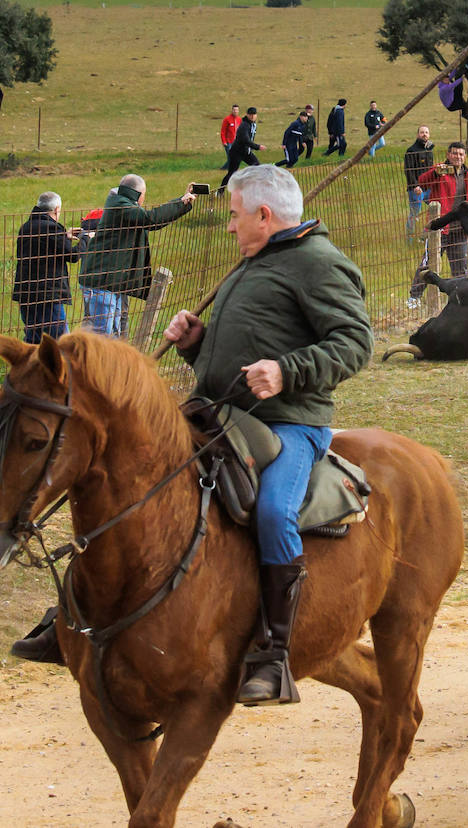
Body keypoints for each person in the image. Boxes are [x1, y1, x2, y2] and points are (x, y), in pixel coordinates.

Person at [164, 164, 372, 705]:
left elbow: (355, 343)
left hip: (290, 424)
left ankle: (274, 653)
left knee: (274, 510)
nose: (230, 227)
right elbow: (254, 338)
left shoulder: (320, 264)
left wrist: (287, 371)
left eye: (234, 216)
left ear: (262, 215)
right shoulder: (256, 261)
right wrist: (197, 345)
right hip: (222, 415)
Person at [78, 175, 196, 339]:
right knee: (102, 334)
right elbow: (150, 219)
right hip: (102, 282)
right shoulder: (121, 206)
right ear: (139, 194)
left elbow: (151, 220)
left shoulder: (122, 204)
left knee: (113, 332)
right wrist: (181, 203)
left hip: (110, 282)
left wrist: (181, 201)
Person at [414, 141, 468, 277]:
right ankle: (414, 297)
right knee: (428, 264)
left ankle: (460, 296)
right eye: (454, 153)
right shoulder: (440, 170)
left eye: (461, 154)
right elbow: (422, 182)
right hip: (440, 227)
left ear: (465, 156)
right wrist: (435, 173)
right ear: (448, 154)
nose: (458, 156)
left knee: (460, 268)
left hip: (461, 229)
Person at [13, 191, 85, 344]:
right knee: (60, 340)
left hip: (26, 293)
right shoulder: (52, 229)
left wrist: (63, 236)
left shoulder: (26, 227)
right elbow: (72, 256)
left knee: (34, 337)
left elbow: (45, 246)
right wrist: (85, 240)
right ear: (57, 209)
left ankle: (32, 365)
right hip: (47, 294)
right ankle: (64, 367)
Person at [220, 106, 266, 192]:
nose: (252, 116)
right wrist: (257, 147)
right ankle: (220, 191)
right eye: (250, 115)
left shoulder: (253, 124)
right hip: (236, 152)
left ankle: (256, 188)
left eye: (254, 114)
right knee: (232, 173)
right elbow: (245, 140)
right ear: (247, 115)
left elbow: (250, 138)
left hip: (246, 152)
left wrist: (251, 148)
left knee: (257, 167)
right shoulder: (244, 125)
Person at [404, 124, 434, 234]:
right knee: (414, 214)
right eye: (422, 132)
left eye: (426, 132)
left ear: (429, 135)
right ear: (418, 135)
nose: (424, 134)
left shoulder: (429, 150)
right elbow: (408, 170)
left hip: (429, 188)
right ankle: (409, 239)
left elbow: (431, 169)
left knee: (435, 210)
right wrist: (415, 185)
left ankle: (427, 234)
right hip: (416, 189)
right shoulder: (411, 150)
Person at [219, 104, 240, 171]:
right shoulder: (227, 119)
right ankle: (229, 168)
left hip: (236, 142)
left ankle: (224, 168)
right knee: (231, 157)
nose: (235, 111)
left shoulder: (239, 120)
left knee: (234, 157)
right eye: (234, 110)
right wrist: (224, 141)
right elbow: (223, 131)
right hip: (229, 142)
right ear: (232, 110)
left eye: (236, 110)